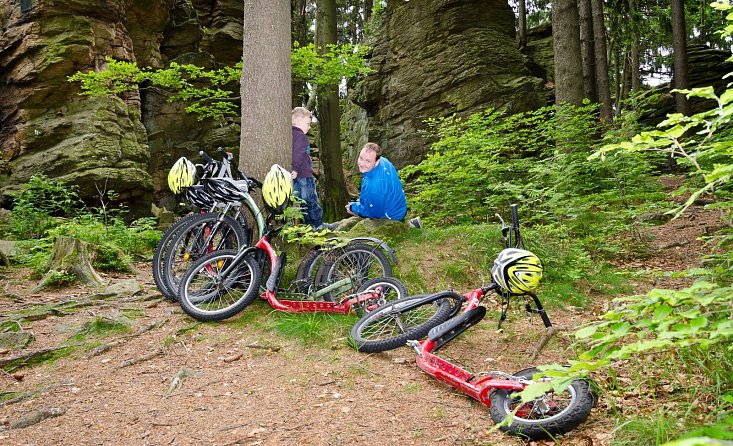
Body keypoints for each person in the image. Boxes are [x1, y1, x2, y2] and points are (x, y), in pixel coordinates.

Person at [346, 142, 410, 222]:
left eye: (367, 161)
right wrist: (359, 202)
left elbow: (374, 213)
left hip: (392, 216)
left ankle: (402, 226)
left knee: (353, 213)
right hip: (400, 207)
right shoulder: (383, 161)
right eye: (361, 158)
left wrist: (353, 207)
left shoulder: (374, 186)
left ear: (376, 162)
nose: (362, 164)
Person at [291, 107, 325, 229]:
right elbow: (298, 153)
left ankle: (309, 226)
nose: (309, 127)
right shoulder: (301, 137)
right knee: (311, 200)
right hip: (304, 175)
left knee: (302, 202)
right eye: (308, 124)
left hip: (296, 177)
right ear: (299, 121)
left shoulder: (289, 134)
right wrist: (295, 168)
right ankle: (319, 224)